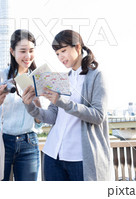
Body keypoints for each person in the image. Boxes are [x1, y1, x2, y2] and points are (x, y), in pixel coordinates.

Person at [22, 30, 112, 181]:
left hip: (80, 158)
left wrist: (62, 102)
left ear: (77, 48)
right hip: (53, 154)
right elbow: (52, 117)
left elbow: (98, 116)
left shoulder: (96, 76)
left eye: (63, 51)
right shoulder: (60, 79)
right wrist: (29, 106)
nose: (60, 57)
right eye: (57, 53)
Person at [0, 29, 42, 181]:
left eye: (31, 51)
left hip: (28, 142)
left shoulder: (39, 78)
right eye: (23, 51)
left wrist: (36, 99)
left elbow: (40, 123)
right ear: (12, 51)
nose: (28, 56)